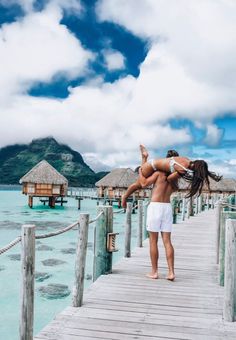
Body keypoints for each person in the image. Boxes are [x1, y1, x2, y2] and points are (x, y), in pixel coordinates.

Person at [122, 145, 222, 208]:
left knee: (142, 177)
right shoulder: (183, 169)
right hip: (151, 166)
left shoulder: (185, 160)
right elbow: (169, 179)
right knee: (139, 184)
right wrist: (140, 171)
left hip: (152, 165)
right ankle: (124, 197)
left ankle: (144, 157)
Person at [138, 152, 179, 281]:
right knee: (167, 241)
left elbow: (144, 183)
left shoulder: (158, 174)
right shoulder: (175, 179)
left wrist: (140, 170)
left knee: (153, 241)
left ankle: (154, 272)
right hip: (167, 207)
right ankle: (171, 272)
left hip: (155, 206)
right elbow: (173, 188)